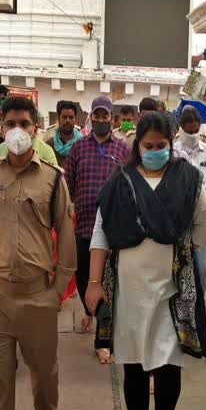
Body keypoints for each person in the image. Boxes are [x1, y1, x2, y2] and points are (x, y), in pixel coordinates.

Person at [85, 111, 206, 410]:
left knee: (169, 372)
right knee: (135, 373)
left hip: (170, 295)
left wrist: (185, 252)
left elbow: (205, 221)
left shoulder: (187, 179)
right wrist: (94, 283)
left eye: (161, 146)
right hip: (129, 293)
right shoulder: (119, 182)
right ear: (137, 146)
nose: (155, 151)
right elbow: (101, 233)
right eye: (148, 146)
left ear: (171, 146)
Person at [0, 97, 75, 410]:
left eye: (24, 124)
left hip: (38, 295)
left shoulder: (52, 178)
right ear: (1, 127)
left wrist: (58, 288)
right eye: (10, 123)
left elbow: (65, 232)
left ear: (36, 129)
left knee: (44, 372)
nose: (16, 131)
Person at [64, 96, 130, 363]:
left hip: (113, 229)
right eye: (97, 116)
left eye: (106, 117)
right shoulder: (78, 149)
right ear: (91, 117)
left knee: (109, 283)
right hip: (84, 226)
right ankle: (92, 309)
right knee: (84, 278)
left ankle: (103, 341)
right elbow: (68, 184)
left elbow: (129, 184)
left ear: (111, 119)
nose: (101, 120)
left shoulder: (123, 150)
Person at [173, 107, 206, 291]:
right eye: (188, 130)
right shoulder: (172, 151)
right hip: (178, 219)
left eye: (195, 130)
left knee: (204, 270)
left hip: (202, 218)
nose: (192, 134)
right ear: (181, 128)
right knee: (180, 267)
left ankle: (199, 304)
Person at [45, 100, 82, 166]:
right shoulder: (49, 145)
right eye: (64, 117)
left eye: (71, 117)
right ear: (58, 119)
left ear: (75, 119)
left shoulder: (82, 144)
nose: (67, 120)